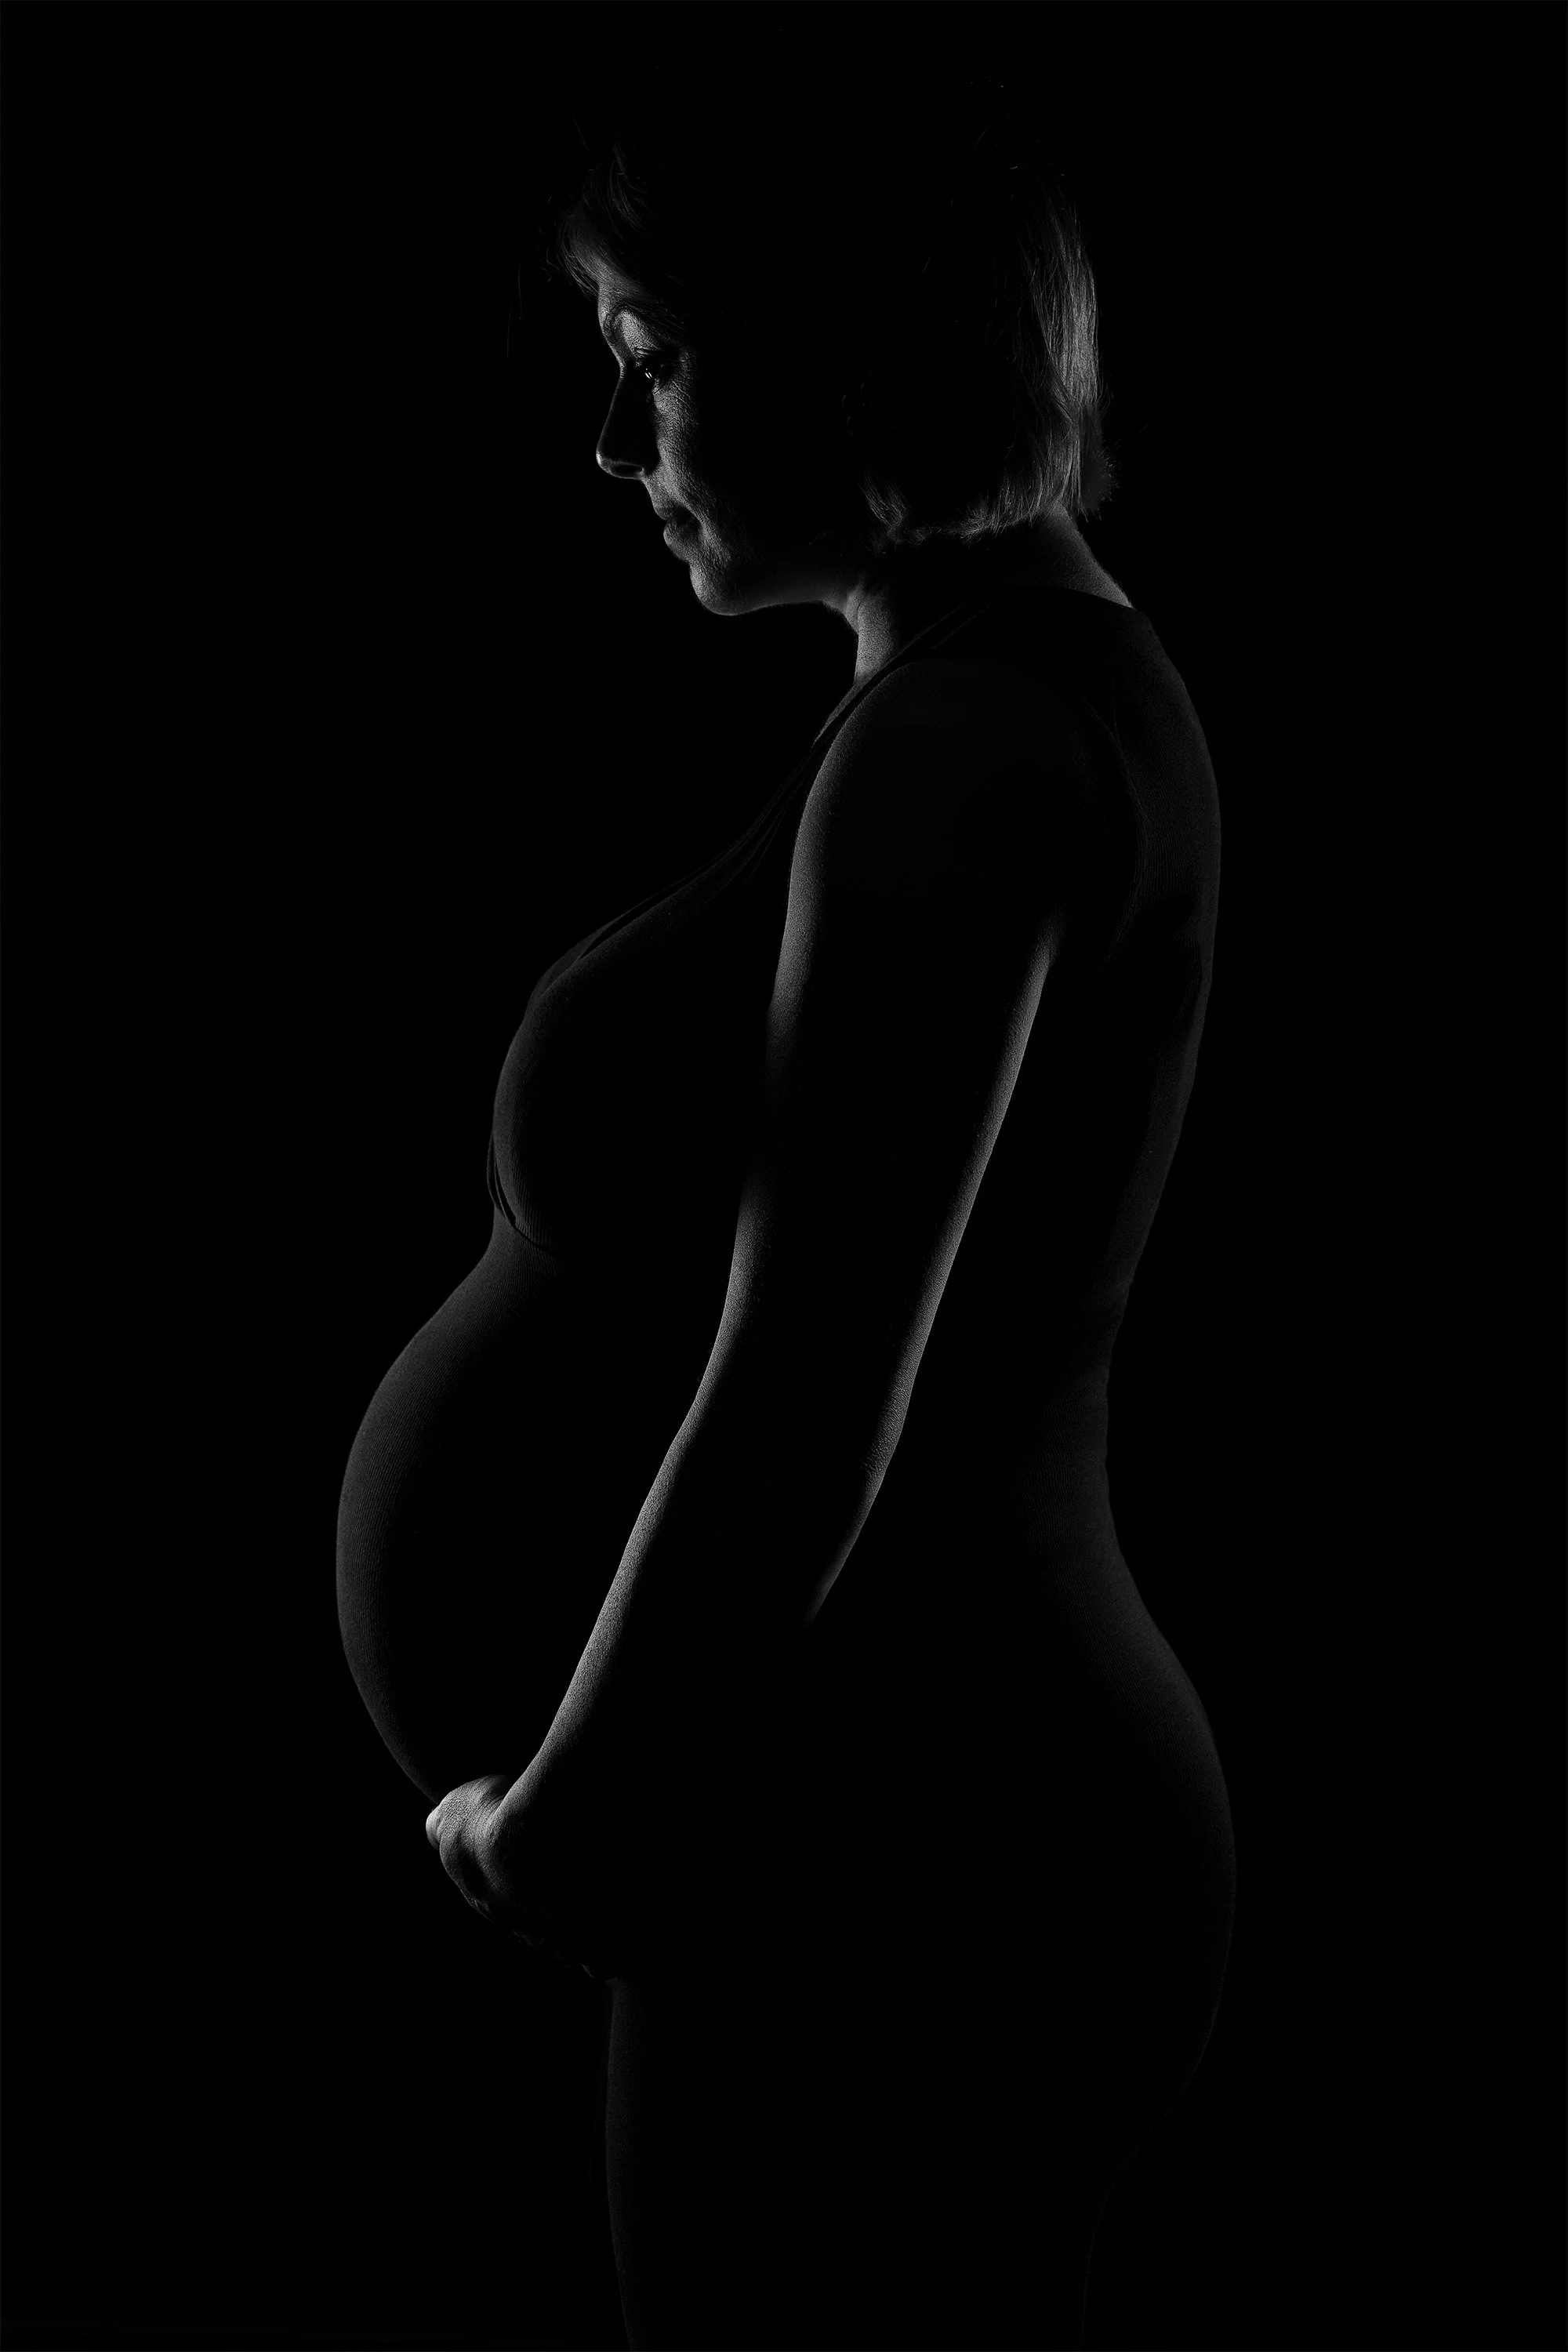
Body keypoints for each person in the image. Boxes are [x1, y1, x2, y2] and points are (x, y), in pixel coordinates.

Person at [338, 39, 1236, 2350]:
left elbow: (806, 1403)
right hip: (859, 1815)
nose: (615, 448)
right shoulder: (977, 697)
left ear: (864, 344)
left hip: (906, 1844)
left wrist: (568, 1822)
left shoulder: (967, 746)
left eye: (656, 362)